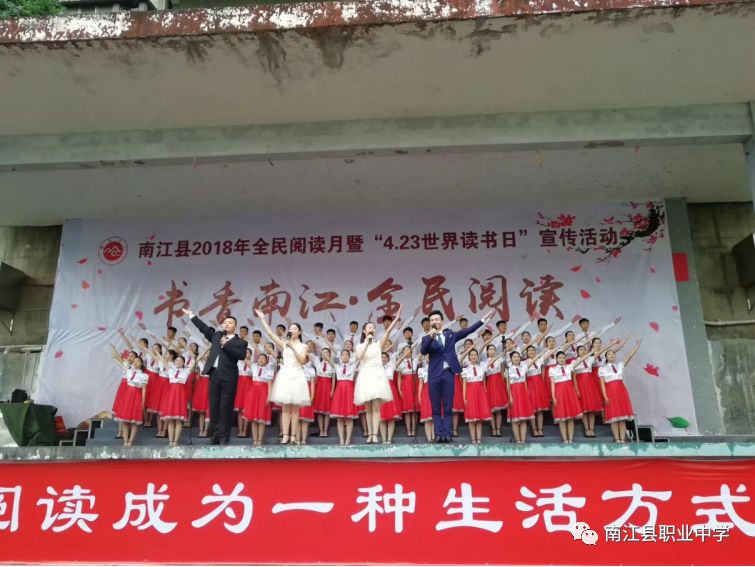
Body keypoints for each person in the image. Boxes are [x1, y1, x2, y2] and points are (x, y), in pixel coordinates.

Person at [420, 308, 495, 443]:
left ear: (442, 321)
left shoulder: (450, 335)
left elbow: (468, 331)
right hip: (434, 375)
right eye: (432, 320)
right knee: (436, 407)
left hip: (448, 373)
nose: (434, 321)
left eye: (436, 319)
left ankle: (447, 434)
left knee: (448, 406)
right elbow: (423, 351)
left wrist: (484, 319)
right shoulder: (426, 338)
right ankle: (438, 434)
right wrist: (431, 337)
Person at [183, 308, 248, 445]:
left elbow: (241, 355)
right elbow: (204, 329)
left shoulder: (240, 342)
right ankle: (214, 436)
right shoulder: (217, 335)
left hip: (229, 377)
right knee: (214, 406)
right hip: (214, 374)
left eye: (230, 322)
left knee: (226, 407)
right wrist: (192, 315)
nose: (227, 324)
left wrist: (227, 345)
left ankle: (224, 437)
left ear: (235, 326)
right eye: (225, 322)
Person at [254, 309, 310, 445]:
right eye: (290, 329)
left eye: (294, 329)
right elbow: (270, 334)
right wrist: (262, 319)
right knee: (285, 408)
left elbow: (302, 360)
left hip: (297, 375)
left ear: (299, 332)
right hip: (285, 375)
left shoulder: (303, 346)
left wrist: (293, 348)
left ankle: (293, 436)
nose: (292, 330)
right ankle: (285, 435)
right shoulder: (284, 344)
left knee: (295, 409)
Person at [354, 308, 403, 444]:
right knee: (368, 408)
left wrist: (397, 317)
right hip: (365, 375)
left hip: (377, 375)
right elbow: (359, 356)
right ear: (364, 331)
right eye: (369, 327)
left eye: (373, 327)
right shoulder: (360, 346)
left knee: (376, 407)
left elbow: (388, 332)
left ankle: (375, 434)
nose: (371, 329)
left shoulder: (378, 344)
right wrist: (366, 342)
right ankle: (370, 434)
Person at [599, 339, 642, 443]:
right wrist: (605, 396)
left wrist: (637, 346)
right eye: (609, 354)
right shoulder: (602, 368)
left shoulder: (619, 365)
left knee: (622, 418)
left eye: (613, 354)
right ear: (606, 357)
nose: (612, 355)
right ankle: (617, 439)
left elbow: (630, 356)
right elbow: (602, 384)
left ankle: (622, 439)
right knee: (614, 417)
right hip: (610, 392)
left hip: (621, 391)